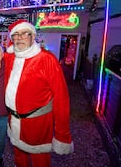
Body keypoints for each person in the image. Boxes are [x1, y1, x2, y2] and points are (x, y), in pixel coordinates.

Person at [4, 19, 74, 167]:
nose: (20, 37)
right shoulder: (10, 57)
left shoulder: (47, 59)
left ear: (32, 36)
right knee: (19, 157)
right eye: (15, 34)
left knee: (40, 160)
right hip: (13, 121)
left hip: (37, 125)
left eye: (24, 33)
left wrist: (62, 135)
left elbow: (61, 99)